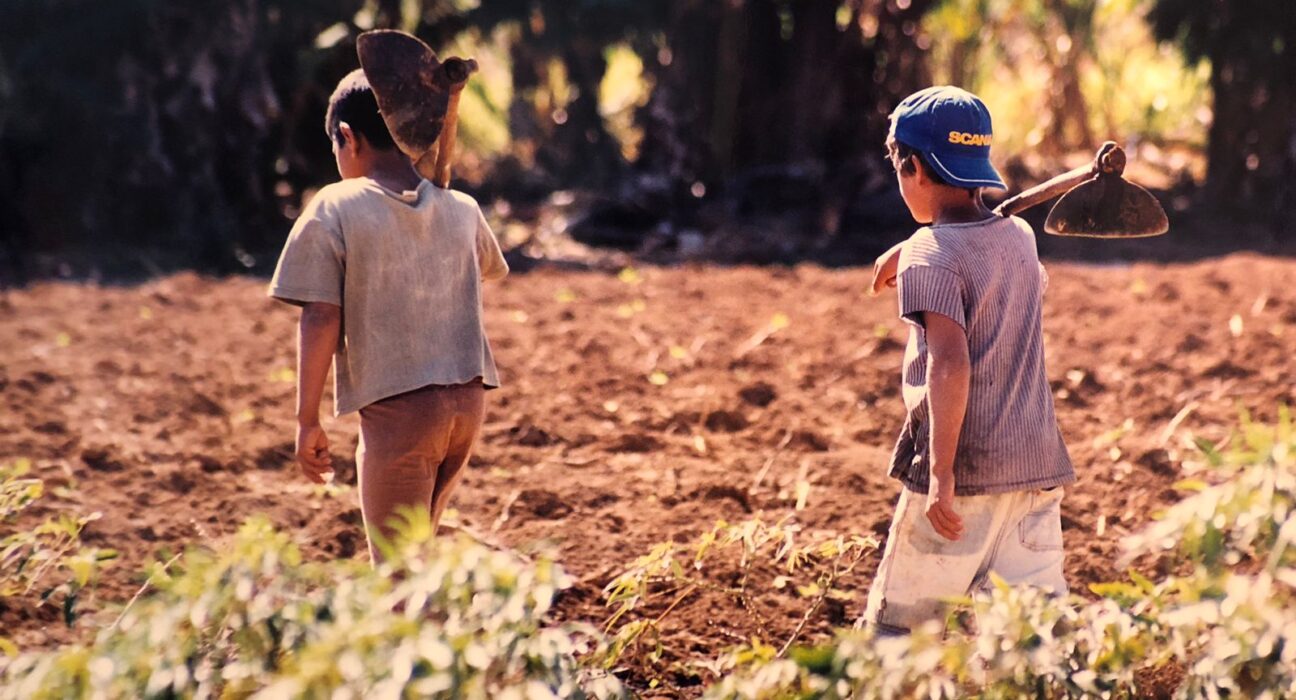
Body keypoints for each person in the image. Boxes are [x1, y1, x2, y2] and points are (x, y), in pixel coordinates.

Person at [267, 69, 509, 563]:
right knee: (418, 555)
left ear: (348, 138)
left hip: (401, 414)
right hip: (467, 403)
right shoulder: (460, 207)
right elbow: (487, 268)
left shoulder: (335, 205)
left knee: (398, 573)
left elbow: (320, 316)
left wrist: (306, 419)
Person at [861, 86, 1075, 634]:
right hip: (1034, 471)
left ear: (913, 167)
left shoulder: (932, 255)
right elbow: (975, 245)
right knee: (1033, 643)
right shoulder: (1020, 237)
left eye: (898, 166)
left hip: (966, 479)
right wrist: (915, 246)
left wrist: (940, 475)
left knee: (900, 641)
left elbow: (950, 364)